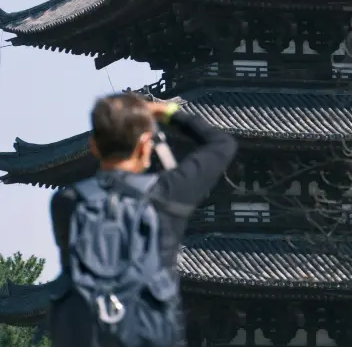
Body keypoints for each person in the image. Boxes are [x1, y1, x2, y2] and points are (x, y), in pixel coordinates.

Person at [48, 92, 237, 347]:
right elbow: (222, 143)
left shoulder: (66, 202)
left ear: (93, 146)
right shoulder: (168, 193)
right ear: (145, 144)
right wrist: (169, 112)